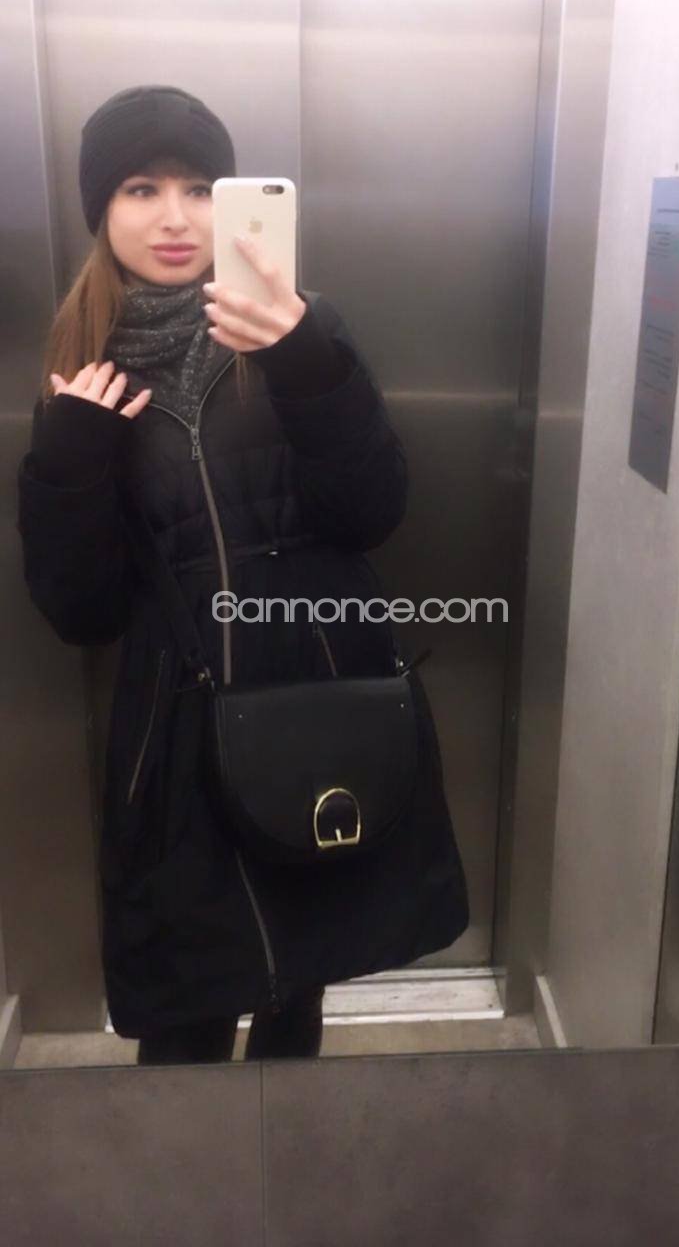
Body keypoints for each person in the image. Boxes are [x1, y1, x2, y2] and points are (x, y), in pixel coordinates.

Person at [16, 84, 469, 1065]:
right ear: (102, 208)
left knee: (299, 980)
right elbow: (83, 610)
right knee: (187, 1014)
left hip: (316, 703)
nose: (175, 217)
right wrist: (71, 459)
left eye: (199, 188)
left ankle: (286, 1144)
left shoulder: (301, 329)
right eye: (141, 189)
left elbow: (372, 512)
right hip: (178, 736)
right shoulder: (80, 363)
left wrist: (306, 361)